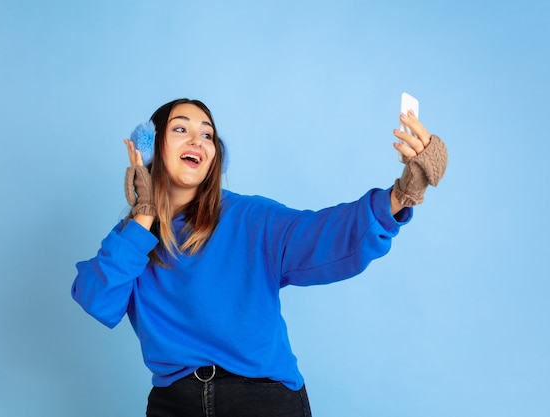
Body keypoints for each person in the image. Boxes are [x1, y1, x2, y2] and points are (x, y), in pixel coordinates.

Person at [71, 98, 448, 417]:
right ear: (151, 148)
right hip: (174, 404)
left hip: (262, 401)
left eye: (207, 134)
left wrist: (403, 194)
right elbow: (97, 299)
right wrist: (143, 215)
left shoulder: (251, 218)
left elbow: (326, 235)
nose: (198, 141)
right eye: (181, 129)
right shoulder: (133, 239)